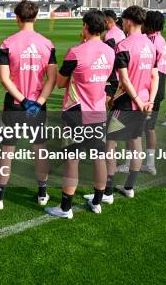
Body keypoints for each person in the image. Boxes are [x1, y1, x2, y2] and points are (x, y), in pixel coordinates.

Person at [0, 1, 56, 210]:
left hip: (15, 104)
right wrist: (38, 102)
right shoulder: (46, 44)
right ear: (36, 17)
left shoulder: (8, 43)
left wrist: (23, 101)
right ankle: (43, 194)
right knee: (39, 149)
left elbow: (5, 78)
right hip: (37, 105)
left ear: (17, 17)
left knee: (7, 151)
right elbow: (51, 79)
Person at [85, 5, 158, 203]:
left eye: (124, 21)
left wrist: (134, 100)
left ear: (128, 22)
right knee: (135, 143)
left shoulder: (124, 46)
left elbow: (124, 80)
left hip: (126, 103)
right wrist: (149, 100)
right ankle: (129, 187)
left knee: (110, 145)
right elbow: (154, 75)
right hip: (143, 102)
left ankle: (107, 192)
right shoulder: (151, 45)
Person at [45, 11, 114, 218]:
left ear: (85, 27)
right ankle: (97, 202)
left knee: (72, 159)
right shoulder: (110, 51)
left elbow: (60, 83)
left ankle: (65, 208)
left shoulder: (76, 52)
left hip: (76, 110)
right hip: (98, 110)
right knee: (98, 157)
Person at [118, 10, 166, 175]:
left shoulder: (149, 41)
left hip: (144, 89)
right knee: (147, 128)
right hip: (155, 89)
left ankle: (129, 163)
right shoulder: (159, 40)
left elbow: (135, 74)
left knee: (133, 131)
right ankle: (149, 164)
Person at [103, 10, 126, 105]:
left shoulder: (109, 35)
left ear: (107, 21)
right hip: (120, 71)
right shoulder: (121, 32)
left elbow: (108, 56)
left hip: (113, 73)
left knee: (106, 100)